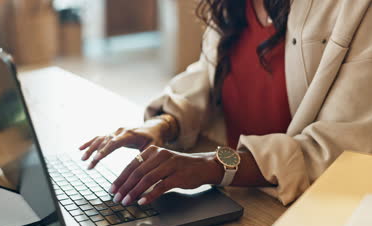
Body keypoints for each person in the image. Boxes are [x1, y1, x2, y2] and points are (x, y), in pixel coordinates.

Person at [80, 0, 372, 206]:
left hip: (300, 211)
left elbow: (340, 150)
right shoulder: (233, 5)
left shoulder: (356, 9)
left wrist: (213, 165)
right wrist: (163, 124)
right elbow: (208, 74)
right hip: (236, 198)